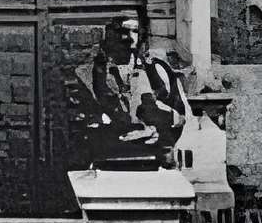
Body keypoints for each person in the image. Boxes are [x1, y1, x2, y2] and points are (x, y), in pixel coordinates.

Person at [66, 13, 190, 171]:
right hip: (106, 162)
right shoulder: (86, 74)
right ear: (108, 35)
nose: (129, 38)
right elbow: (84, 124)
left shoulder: (156, 70)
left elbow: (179, 116)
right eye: (122, 31)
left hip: (154, 161)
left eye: (135, 31)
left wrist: (156, 123)